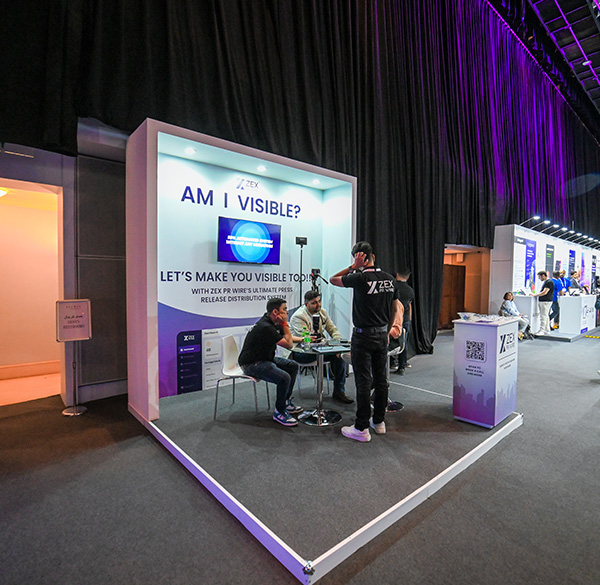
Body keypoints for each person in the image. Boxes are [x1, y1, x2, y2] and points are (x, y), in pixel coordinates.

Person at [330, 241, 400, 442]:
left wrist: (353, 267)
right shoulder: (390, 279)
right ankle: (379, 421)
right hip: (381, 334)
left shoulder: (359, 278)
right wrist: (387, 331)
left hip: (363, 336)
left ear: (358, 259)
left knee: (363, 381)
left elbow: (333, 280)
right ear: (373, 257)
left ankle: (361, 427)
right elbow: (395, 309)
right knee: (380, 379)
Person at [238, 297, 302, 426]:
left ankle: (285, 402)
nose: (287, 312)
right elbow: (289, 344)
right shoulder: (266, 327)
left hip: (264, 359)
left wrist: (305, 339)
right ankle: (280, 412)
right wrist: (285, 324)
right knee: (284, 378)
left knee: (292, 366)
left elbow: (287, 338)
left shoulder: (272, 322)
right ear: (275, 312)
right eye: (284, 309)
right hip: (251, 364)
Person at [289, 290, 353, 404]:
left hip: (320, 348)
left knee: (340, 355)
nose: (318, 305)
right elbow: (308, 339)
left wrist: (338, 342)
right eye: (314, 303)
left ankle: (339, 391)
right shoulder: (298, 316)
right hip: (302, 352)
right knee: (334, 353)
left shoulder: (322, 312)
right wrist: (328, 343)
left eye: (319, 301)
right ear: (306, 304)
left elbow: (333, 329)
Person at [392, 268, 414, 375]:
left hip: (392, 319)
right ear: (408, 277)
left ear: (397, 274)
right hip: (404, 319)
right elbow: (409, 306)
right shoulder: (410, 290)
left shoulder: (392, 287)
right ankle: (402, 366)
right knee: (403, 343)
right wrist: (409, 319)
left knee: (390, 341)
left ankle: (392, 362)